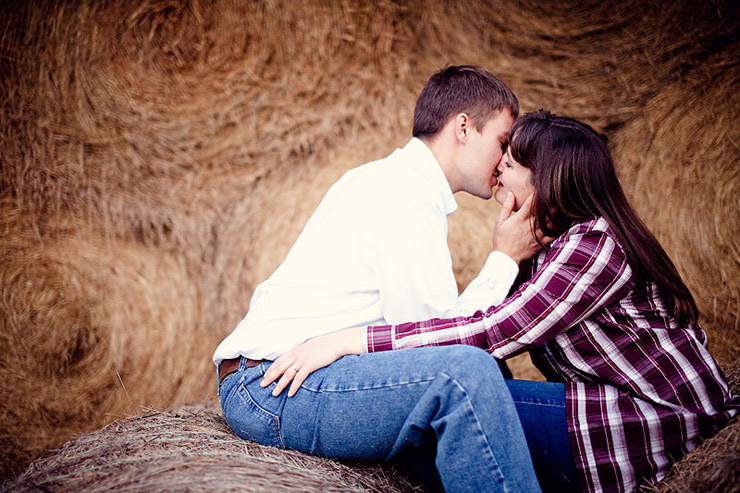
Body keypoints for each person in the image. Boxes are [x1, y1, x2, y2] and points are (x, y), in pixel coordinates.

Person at [263, 110, 740, 492]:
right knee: (462, 396)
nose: (497, 172)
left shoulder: (593, 245)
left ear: (545, 178)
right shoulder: (550, 245)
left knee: (440, 422)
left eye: (509, 164)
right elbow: (480, 328)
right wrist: (506, 257)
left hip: (653, 416)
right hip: (607, 402)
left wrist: (349, 341)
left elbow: (490, 333)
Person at [215, 66, 545, 492]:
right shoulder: (404, 193)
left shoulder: (395, 180)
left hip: (282, 380)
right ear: (463, 127)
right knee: (466, 374)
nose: (505, 162)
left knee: (490, 378)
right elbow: (439, 339)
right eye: (503, 142)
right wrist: (504, 259)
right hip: (271, 388)